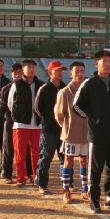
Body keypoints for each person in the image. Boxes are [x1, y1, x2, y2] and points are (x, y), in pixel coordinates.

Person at [73, 49, 110, 214]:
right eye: (104, 61)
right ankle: (94, 200)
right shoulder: (89, 84)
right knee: (95, 169)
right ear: (96, 64)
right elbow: (76, 106)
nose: (107, 64)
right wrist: (92, 118)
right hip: (97, 136)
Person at [54, 61, 89, 203]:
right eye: (77, 71)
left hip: (86, 134)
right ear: (70, 73)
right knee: (68, 160)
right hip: (70, 134)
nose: (80, 74)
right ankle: (66, 190)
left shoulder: (88, 91)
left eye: (82, 71)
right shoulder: (64, 92)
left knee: (84, 160)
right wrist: (67, 127)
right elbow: (58, 114)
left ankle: (85, 189)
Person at [8, 59, 44, 186]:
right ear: (22, 69)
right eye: (28, 67)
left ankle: (36, 176)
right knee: (20, 152)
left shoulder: (41, 84)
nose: (31, 69)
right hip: (21, 124)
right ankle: (21, 178)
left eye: (33, 67)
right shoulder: (16, 84)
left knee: (37, 153)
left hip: (37, 125)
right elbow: (10, 103)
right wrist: (18, 117)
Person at [34, 60, 66, 195]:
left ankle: (66, 184)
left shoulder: (65, 87)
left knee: (64, 157)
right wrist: (47, 120)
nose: (60, 73)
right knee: (46, 157)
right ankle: (42, 183)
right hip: (49, 129)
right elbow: (37, 108)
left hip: (63, 129)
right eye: (57, 70)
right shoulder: (44, 88)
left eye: (61, 70)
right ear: (50, 72)